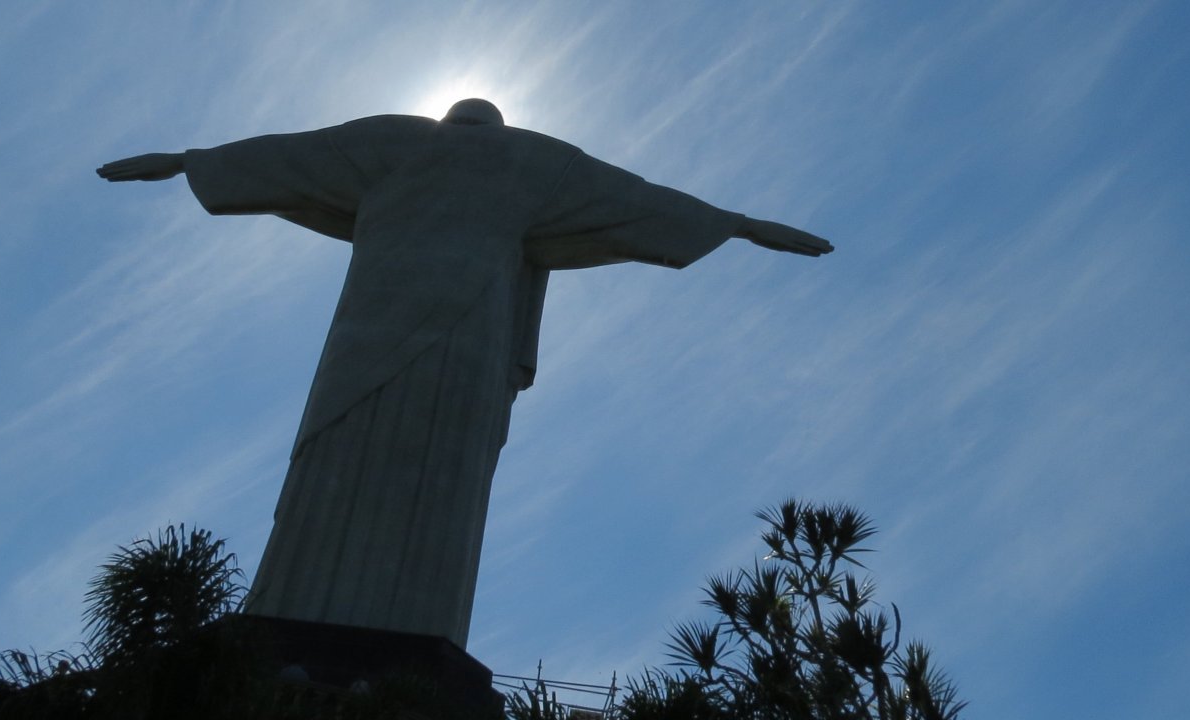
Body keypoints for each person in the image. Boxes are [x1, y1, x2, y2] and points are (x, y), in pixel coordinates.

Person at [97, 98, 832, 648]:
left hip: (442, 338)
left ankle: (384, 619)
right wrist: (737, 224)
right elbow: (636, 200)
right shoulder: (524, 158)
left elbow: (288, 157)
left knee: (420, 466)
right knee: (351, 451)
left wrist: (188, 160)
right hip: (399, 329)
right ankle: (312, 611)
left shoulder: (404, 142)